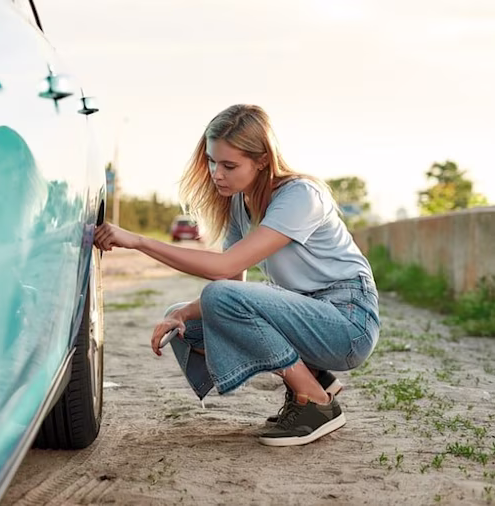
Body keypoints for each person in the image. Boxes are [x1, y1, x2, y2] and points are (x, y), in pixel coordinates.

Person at [93, 104, 380, 446]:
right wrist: (182, 315)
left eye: (229, 165)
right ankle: (314, 377)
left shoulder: (300, 196)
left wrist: (139, 241)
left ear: (262, 160)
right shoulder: (239, 204)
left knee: (214, 299)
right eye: (212, 162)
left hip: (347, 323)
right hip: (308, 315)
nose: (217, 173)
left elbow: (224, 268)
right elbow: (232, 286)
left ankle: (316, 403)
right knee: (188, 321)